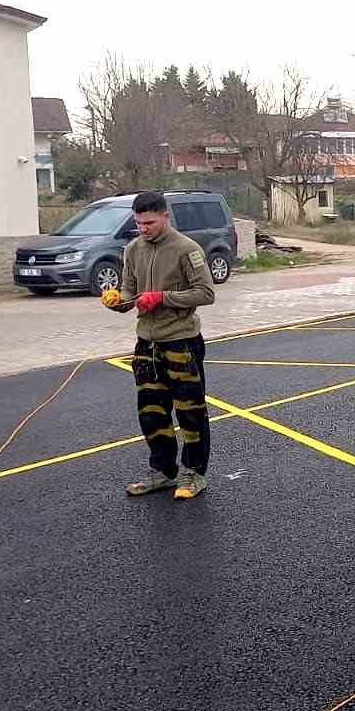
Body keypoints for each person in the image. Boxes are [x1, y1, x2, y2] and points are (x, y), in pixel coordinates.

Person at [104, 192, 217, 498]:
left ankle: (193, 474)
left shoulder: (186, 249)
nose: (143, 228)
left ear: (165, 216)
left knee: (190, 412)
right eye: (139, 223)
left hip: (181, 341)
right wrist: (119, 301)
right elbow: (129, 290)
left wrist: (163, 297)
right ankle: (163, 472)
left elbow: (206, 293)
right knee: (152, 412)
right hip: (146, 345)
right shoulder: (132, 250)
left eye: (149, 222)